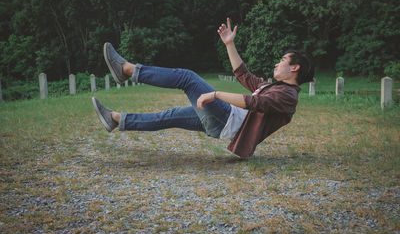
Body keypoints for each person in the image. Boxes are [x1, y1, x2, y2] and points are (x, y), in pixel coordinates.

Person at [92, 18, 314, 158]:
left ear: (294, 67)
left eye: (283, 60)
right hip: (222, 123)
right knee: (168, 116)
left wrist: (215, 94)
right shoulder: (274, 88)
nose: (277, 63)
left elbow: (255, 104)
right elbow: (243, 75)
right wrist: (230, 44)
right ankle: (115, 119)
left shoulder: (288, 96)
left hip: (228, 120)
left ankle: (127, 70)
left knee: (187, 78)